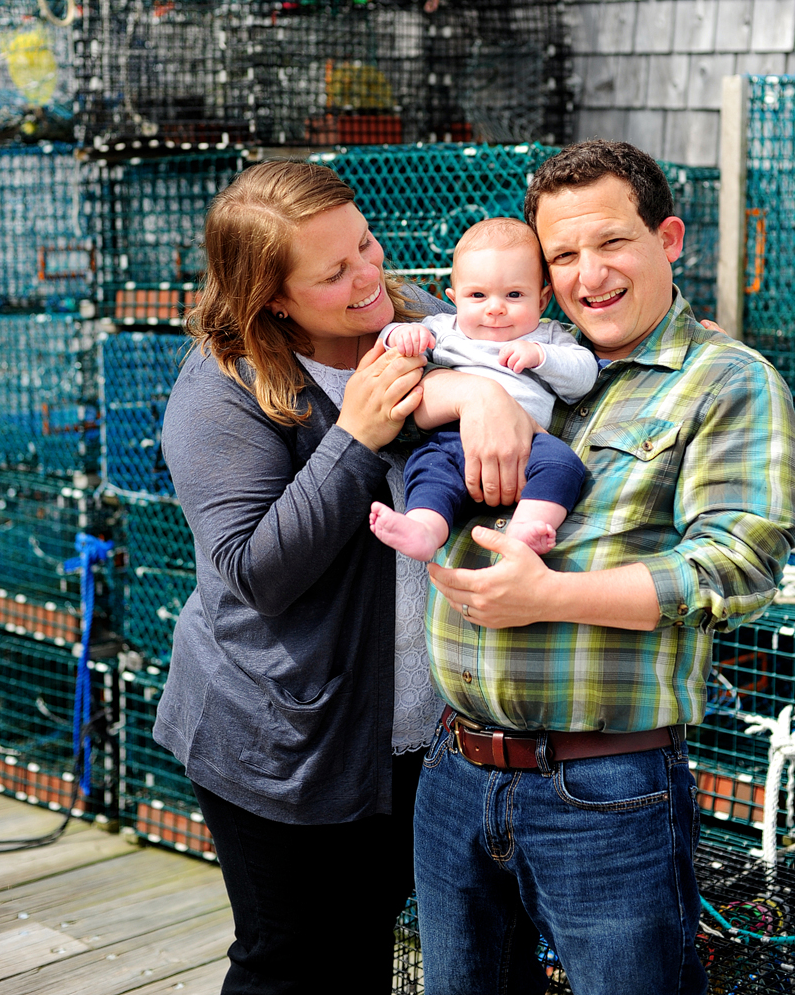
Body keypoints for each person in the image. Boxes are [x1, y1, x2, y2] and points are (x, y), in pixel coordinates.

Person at [412, 140, 795, 995]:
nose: (589, 274)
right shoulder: (517, 349)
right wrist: (468, 393)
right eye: (562, 255)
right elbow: (386, 394)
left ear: (667, 238)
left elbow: (735, 568)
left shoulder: (726, 382)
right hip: (455, 769)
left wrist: (550, 595)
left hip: (605, 787)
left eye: (612, 243)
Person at [152, 160, 534, 995]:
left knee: (366, 947)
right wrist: (355, 435)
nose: (370, 276)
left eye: (364, 243)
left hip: (421, 731)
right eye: (335, 271)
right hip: (280, 738)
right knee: (290, 962)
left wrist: (484, 390)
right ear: (273, 298)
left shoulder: (429, 322)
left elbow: (534, 362)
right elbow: (258, 573)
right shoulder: (220, 396)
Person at [369, 217, 597, 560]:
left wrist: (541, 357)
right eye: (477, 295)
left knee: (564, 465)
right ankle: (424, 529)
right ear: (452, 298)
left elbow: (584, 375)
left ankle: (526, 528)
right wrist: (400, 336)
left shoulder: (548, 337)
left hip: (529, 444)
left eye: (515, 294)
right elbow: (387, 342)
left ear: (542, 299)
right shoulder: (445, 329)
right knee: (429, 471)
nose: (495, 307)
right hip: (450, 440)